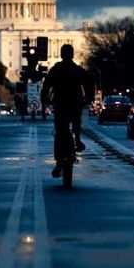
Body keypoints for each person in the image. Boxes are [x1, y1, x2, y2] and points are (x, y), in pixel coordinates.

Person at [41, 44, 93, 178]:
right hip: (75, 103)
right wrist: (88, 98)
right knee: (76, 122)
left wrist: (44, 98)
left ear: (61, 54)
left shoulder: (56, 69)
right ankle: (78, 140)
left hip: (61, 104)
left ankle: (59, 161)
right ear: (72, 55)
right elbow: (88, 83)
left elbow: (46, 85)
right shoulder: (77, 70)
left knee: (60, 131)